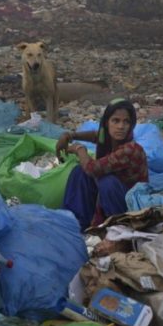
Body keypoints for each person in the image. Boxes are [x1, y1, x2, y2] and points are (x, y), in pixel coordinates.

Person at [57, 98, 148, 230]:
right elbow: (96, 135)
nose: (121, 126)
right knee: (79, 171)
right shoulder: (110, 137)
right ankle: (77, 220)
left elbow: (92, 169)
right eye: (115, 120)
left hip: (131, 207)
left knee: (107, 181)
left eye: (126, 122)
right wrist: (70, 135)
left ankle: (114, 227)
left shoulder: (130, 150)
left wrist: (79, 149)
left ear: (131, 125)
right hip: (115, 195)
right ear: (107, 122)